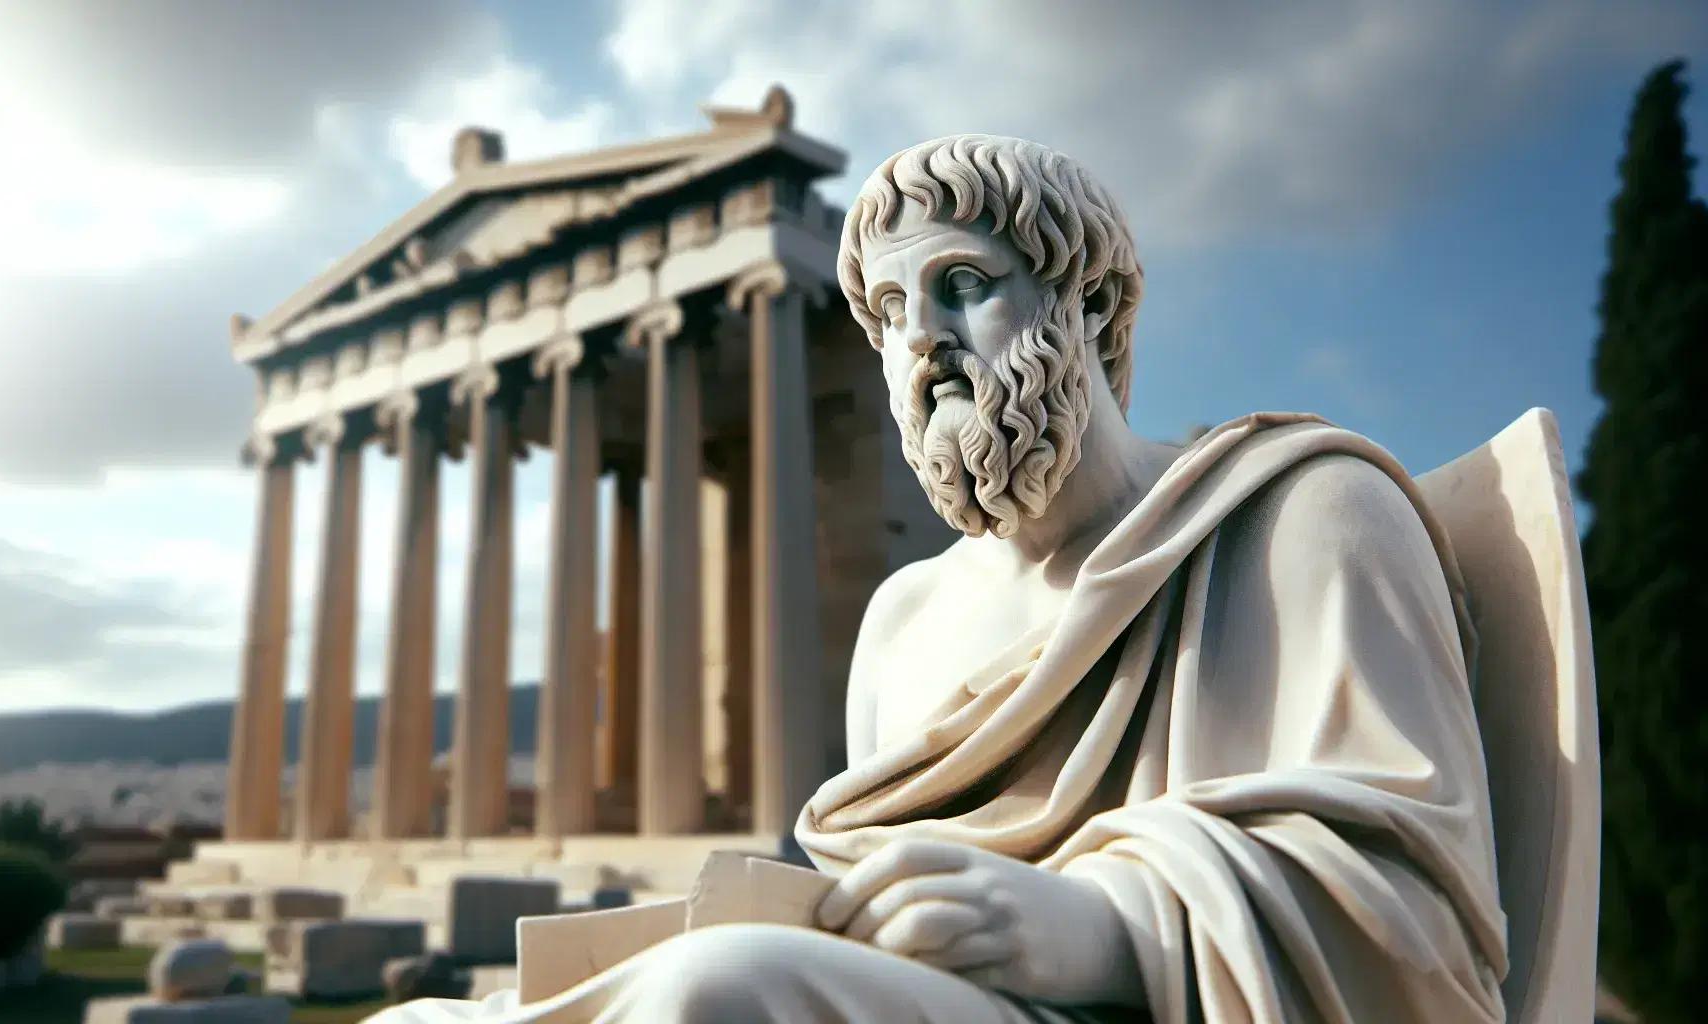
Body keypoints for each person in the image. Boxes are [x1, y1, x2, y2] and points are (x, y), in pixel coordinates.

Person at [374, 134, 1508, 1024]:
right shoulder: (906, 619)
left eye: (963, 284)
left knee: (714, 998)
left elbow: (1418, 905)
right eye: (887, 313)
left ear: (1096, 305)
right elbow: (858, 917)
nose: (922, 341)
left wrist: (1103, 925)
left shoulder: (1301, 514)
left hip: (1154, 998)